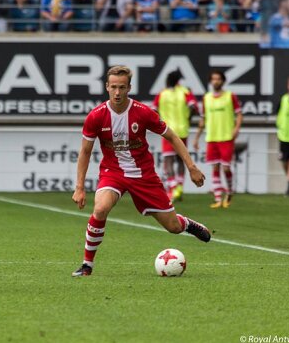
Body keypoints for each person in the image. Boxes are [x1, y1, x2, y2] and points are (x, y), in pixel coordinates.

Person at [71, 65, 211, 277]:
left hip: (143, 175)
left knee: (172, 227)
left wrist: (191, 167)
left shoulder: (143, 112)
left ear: (129, 88)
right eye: (114, 87)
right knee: (100, 209)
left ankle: (188, 224)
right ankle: (87, 265)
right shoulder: (96, 116)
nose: (117, 92)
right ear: (107, 87)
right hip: (113, 173)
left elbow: (172, 136)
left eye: (122, 87)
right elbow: (85, 152)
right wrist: (79, 187)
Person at [193, 70, 242, 208]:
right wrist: (197, 137)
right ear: (210, 81)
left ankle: (230, 191)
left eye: (218, 79)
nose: (216, 81)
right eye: (213, 79)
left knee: (226, 168)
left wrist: (236, 128)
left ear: (223, 81)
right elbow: (203, 119)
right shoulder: (206, 98)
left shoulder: (230, 96)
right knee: (215, 167)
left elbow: (239, 114)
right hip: (212, 137)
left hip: (226, 136)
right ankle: (218, 198)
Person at [152, 70, 198, 202]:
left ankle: (172, 188)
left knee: (168, 160)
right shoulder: (185, 91)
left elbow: (153, 109)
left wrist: (159, 120)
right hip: (182, 129)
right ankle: (180, 187)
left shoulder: (162, 94)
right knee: (180, 159)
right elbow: (194, 107)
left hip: (167, 130)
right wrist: (188, 118)